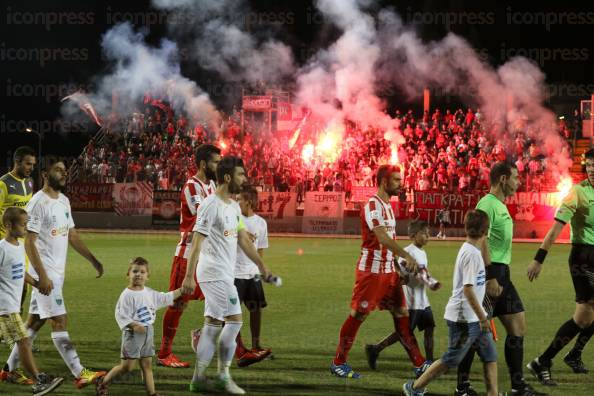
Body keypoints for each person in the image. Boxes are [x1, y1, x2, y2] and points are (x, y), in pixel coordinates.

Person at [2, 161, 106, 389]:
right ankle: (80, 373)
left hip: (56, 274)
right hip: (45, 274)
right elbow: (29, 242)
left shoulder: (64, 201)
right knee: (59, 320)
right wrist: (42, 276)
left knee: (33, 323)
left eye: (64, 169)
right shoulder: (38, 203)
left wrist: (93, 260)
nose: (64, 173)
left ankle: (7, 370)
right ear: (45, 174)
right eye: (58, 169)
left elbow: (73, 236)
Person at [182, 156, 271, 395]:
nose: (245, 179)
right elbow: (197, 241)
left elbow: (242, 238)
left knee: (218, 324)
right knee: (231, 321)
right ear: (228, 177)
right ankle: (221, 375)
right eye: (241, 175)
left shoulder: (232, 206)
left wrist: (261, 265)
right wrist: (189, 276)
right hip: (212, 273)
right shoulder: (210, 205)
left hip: (224, 273)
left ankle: (201, 377)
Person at [330, 165, 429, 380]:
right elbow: (383, 238)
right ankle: (339, 362)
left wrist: (396, 266)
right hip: (372, 273)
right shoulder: (373, 205)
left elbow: (388, 241)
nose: (400, 184)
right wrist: (407, 256)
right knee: (359, 314)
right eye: (396, 180)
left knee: (402, 314)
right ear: (384, 182)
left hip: (388, 272)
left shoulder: (387, 205)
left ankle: (420, 364)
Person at [455, 162, 543, 396]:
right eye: (515, 177)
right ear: (503, 179)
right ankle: (461, 387)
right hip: (489, 275)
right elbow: (481, 239)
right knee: (474, 332)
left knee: (517, 326)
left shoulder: (500, 205)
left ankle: (517, 386)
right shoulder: (487, 204)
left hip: (503, 274)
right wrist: (491, 276)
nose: (518, 181)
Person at [403, 210, 498, 396]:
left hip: (474, 317)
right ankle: (414, 388)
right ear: (486, 231)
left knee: (490, 356)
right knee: (452, 359)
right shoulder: (472, 255)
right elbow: (468, 289)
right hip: (463, 318)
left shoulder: (470, 250)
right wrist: (483, 318)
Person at [526, 148, 594, 383]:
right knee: (584, 317)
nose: (592, 171)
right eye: (589, 167)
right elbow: (556, 229)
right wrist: (539, 258)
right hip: (583, 258)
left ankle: (573, 355)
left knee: (589, 316)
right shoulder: (577, 192)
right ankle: (542, 361)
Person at [157, 144, 221, 368]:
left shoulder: (212, 184)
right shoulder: (191, 187)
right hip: (188, 255)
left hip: (209, 256)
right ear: (204, 164)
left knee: (220, 300)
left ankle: (201, 335)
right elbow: (204, 216)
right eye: (215, 162)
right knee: (178, 303)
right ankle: (164, 353)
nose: (219, 166)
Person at [0, 207, 64, 395]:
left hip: (11, 306)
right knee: (24, 341)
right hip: (5, 308)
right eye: (22, 224)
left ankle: (16, 374)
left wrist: (37, 283)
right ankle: (39, 380)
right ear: (8, 225)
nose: (26, 228)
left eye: (27, 224)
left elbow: (21, 271)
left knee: (23, 341)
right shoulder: (2, 249)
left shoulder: (19, 247)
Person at [96, 257, 182, 396]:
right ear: (128, 274)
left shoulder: (149, 292)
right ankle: (103, 381)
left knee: (146, 365)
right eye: (135, 271)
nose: (138, 274)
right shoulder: (126, 295)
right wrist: (133, 325)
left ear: (148, 276)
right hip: (132, 334)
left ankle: (152, 393)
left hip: (148, 332)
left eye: (142, 272)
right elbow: (120, 314)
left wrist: (182, 290)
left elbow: (165, 297)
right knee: (127, 367)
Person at [365, 220, 442, 368]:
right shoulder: (408, 252)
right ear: (413, 235)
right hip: (411, 301)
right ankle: (375, 349)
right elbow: (398, 269)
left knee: (429, 329)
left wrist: (429, 280)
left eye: (428, 233)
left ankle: (430, 362)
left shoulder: (422, 252)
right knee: (404, 333)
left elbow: (421, 272)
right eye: (424, 233)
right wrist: (403, 276)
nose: (428, 236)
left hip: (423, 300)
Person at [233, 186, 273, 364]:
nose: (236, 202)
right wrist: (237, 234)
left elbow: (261, 250)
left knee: (256, 309)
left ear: (248, 201)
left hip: (252, 274)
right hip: (234, 272)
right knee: (233, 313)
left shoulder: (261, 223)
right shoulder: (233, 219)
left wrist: (260, 269)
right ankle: (238, 349)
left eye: (239, 199)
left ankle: (256, 345)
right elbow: (223, 235)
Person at [0, 146, 36, 317]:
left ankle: (13, 325)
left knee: (22, 288)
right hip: (5, 243)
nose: (31, 168)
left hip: (22, 245)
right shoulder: (3, 183)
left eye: (33, 164)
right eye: (28, 164)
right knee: (8, 287)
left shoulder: (29, 182)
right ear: (17, 162)